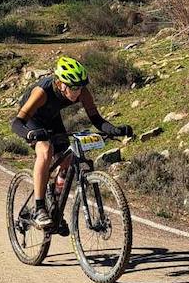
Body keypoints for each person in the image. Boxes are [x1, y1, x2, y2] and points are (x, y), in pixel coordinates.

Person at [11, 56, 132, 231]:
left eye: (81, 86)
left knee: (67, 159)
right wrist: (31, 134)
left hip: (52, 118)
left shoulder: (82, 91)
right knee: (45, 151)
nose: (78, 92)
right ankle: (39, 209)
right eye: (74, 87)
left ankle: (55, 202)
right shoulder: (42, 92)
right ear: (60, 83)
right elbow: (16, 123)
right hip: (32, 120)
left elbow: (96, 119)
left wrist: (114, 130)